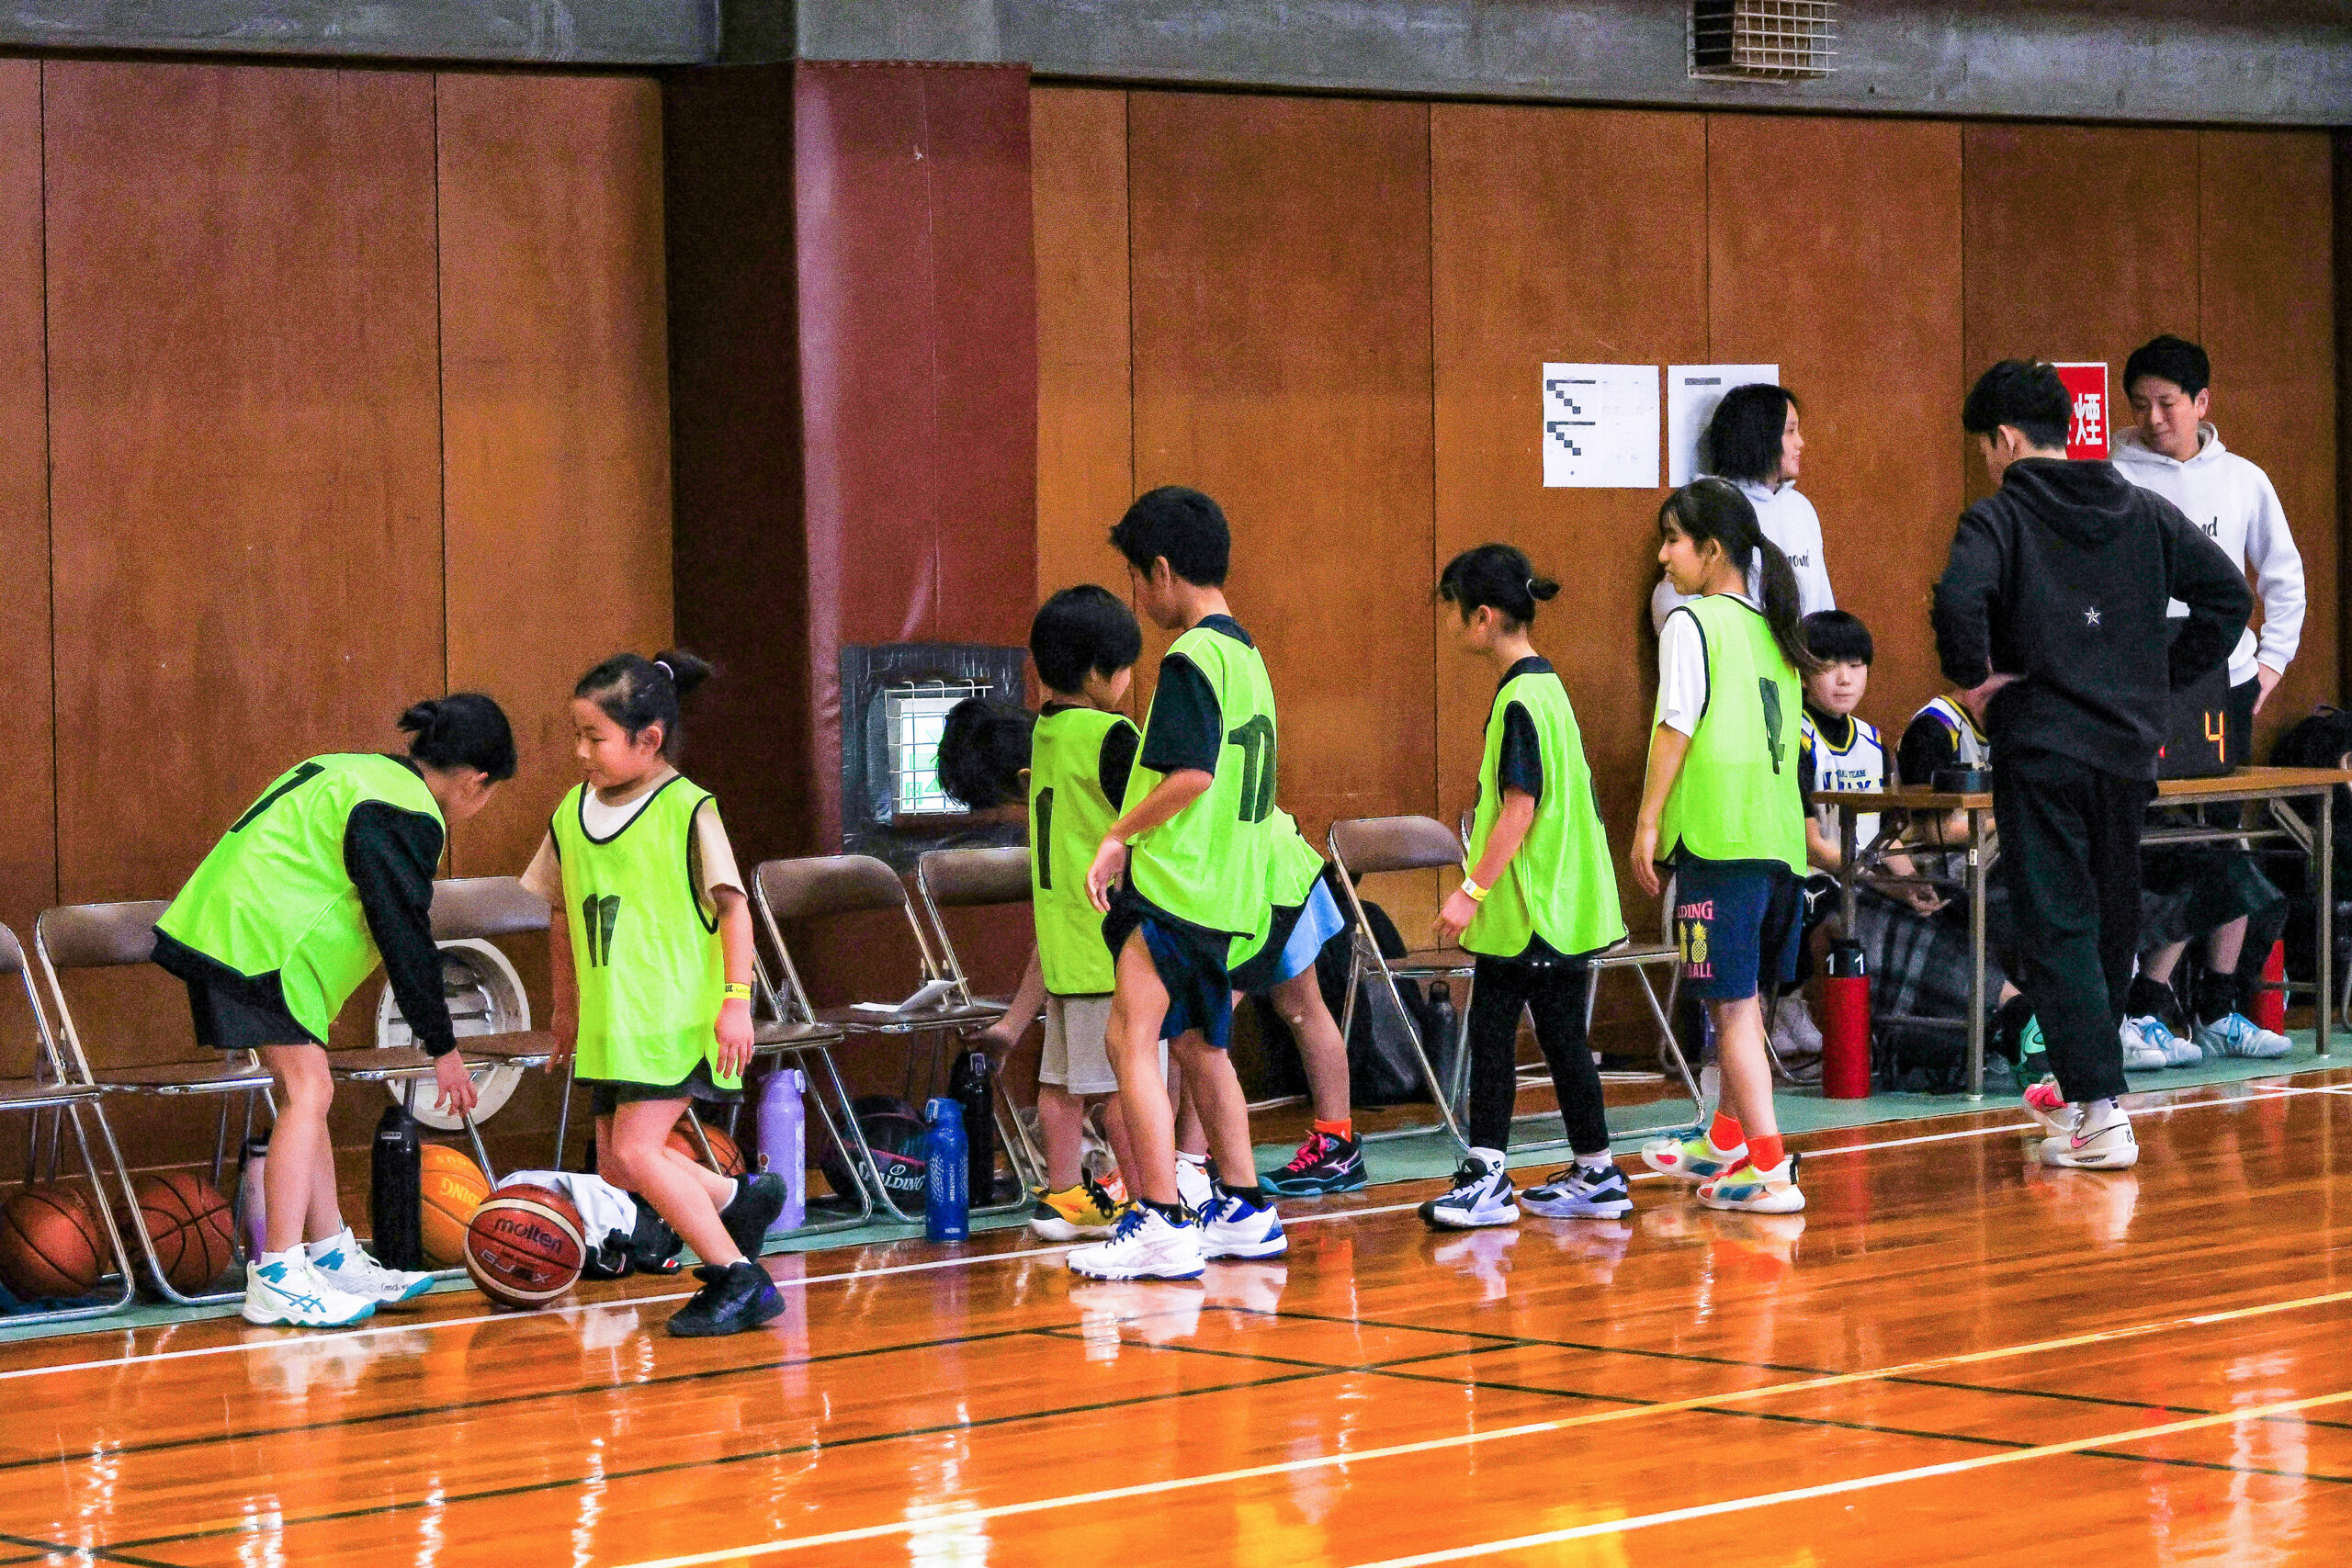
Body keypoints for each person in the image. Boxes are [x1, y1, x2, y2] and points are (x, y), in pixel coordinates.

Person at [1932, 359, 2249, 1171]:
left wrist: (1974, 681)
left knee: (2058, 920)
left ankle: (2102, 1112)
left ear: (2006, 439)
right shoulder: (2142, 507)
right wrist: (2156, 676)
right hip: (2127, 748)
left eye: (1985, 448)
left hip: (2043, 744)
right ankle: (2085, 1094)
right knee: (2110, 917)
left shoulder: (1998, 517)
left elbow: (1957, 601)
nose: (1987, 463)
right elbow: (2228, 598)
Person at [153, 694, 514, 1328]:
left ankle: (328, 1254)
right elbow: (402, 931)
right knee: (309, 1091)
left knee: (311, 1090)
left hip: (239, 929)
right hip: (260, 943)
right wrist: (443, 1046)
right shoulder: (404, 809)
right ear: (475, 781)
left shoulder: (362, 772)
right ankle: (276, 1273)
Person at [525, 651, 788, 1337]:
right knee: (618, 1164)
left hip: (672, 1013)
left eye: (595, 737)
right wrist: (565, 1007)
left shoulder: (687, 808)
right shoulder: (570, 813)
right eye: (576, 735)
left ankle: (738, 1278)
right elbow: (561, 915)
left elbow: (734, 908)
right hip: (611, 1018)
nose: (581, 751)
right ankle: (737, 1199)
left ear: (649, 739)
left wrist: (736, 1001)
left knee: (640, 1152)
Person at [1069, 487, 1285, 1281]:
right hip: (1228, 889)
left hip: (1177, 883)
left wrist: (1120, 834)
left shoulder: (1191, 656)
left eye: (1135, 577)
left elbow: (1191, 773)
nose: (1137, 594)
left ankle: (1159, 1217)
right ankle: (1245, 1206)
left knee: (1130, 1038)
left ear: (1160, 570)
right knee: (1200, 1044)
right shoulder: (1248, 657)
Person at [1419, 544, 1632, 1230]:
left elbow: (1520, 807)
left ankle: (1486, 1177)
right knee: (1564, 1037)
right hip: (1567, 904)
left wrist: (1470, 891)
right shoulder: (1549, 688)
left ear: (1482, 617)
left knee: (1492, 1032)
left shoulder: (1518, 700)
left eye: (1454, 610)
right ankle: (1597, 1171)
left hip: (1531, 909)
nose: (1450, 624)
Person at [2114, 333, 2304, 1057]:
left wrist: (2270, 665)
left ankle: (2220, 1006)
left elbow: (2283, 577)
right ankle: (2140, 1005)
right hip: (2141, 689)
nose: (2154, 418)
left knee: (2224, 840)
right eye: (2141, 404)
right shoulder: (2112, 475)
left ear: (2202, 403)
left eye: (2168, 403)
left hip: (2223, 683)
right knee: (2156, 845)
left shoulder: (2244, 479)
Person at [947, 590, 1153, 1242]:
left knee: (1061, 1086)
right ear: (1097, 673)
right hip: (1111, 942)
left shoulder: (1044, 735)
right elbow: (1156, 820)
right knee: (1126, 1087)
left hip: (1064, 945)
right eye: (1126, 668)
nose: (1129, 681)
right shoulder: (1112, 736)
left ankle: (1065, 1197)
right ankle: (1152, 1207)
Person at [1633, 479, 1814, 1214]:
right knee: (1747, 1006)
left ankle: (1769, 1170)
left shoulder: (1692, 622)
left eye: (1673, 539)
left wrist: (1647, 821)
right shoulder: (1779, 630)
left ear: (1712, 551)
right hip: (1780, 846)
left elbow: (1675, 725)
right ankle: (1726, 1138)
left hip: (1721, 840)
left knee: (1732, 1012)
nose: (1662, 555)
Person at [1652, 384, 1835, 632]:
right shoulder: (1710, 507)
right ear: (1760, 438)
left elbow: (1822, 604)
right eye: (1790, 431)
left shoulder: (1801, 509)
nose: (1800, 442)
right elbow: (1676, 602)